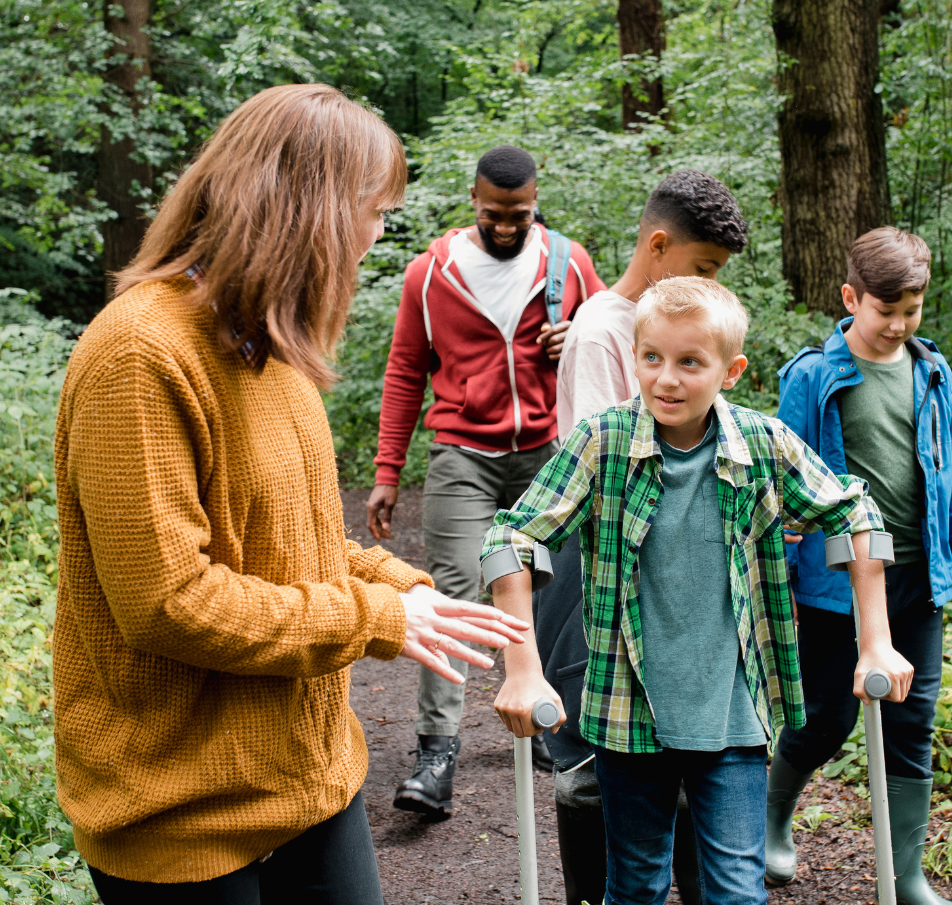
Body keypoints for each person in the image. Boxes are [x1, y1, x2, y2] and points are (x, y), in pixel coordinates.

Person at [51, 84, 530, 904]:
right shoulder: (139, 355)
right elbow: (170, 601)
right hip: (181, 812)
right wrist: (377, 618)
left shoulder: (271, 350)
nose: (378, 235)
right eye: (373, 210)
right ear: (306, 209)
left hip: (310, 781)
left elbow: (292, 544)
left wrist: (408, 593)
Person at [481, 277, 914, 905]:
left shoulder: (763, 446)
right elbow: (512, 539)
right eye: (652, 357)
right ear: (635, 357)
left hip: (733, 714)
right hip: (629, 715)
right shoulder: (602, 442)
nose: (667, 379)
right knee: (636, 885)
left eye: (690, 362)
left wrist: (875, 642)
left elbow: (855, 515)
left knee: (737, 890)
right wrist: (522, 669)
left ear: (730, 370)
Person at [367, 145, 605, 818]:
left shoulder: (571, 264)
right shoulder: (431, 272)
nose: (506, 226)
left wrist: (574, 341)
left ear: (536, 203)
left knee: (557, 589)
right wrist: (388, 471)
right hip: (462, 454)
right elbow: (406, 370)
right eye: (494, 214)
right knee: (453, 594)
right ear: (474, 201)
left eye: (520, 215)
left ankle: (551, 725)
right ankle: (436, 755)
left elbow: (612, 341)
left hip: (548, 453)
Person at [768, 227, 952, 905]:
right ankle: (771, 822)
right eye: (884, 309)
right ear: (850, 297)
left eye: (912, 310)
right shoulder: (813, 375)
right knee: (826, 716)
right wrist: (775, 570)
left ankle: (907, 876)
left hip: (917, 575)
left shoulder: (932, 371)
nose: (898, 324)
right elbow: (782, 483)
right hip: (835, 580)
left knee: (911, 718)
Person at [542, 169, 747, 905]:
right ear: (658, 247)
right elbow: (610, 466)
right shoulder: (604, 332)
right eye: (704, 269)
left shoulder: (656, 329)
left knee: (680, 759)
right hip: (597, 576)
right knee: (592, 766)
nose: (710, 286)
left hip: (662, 578)